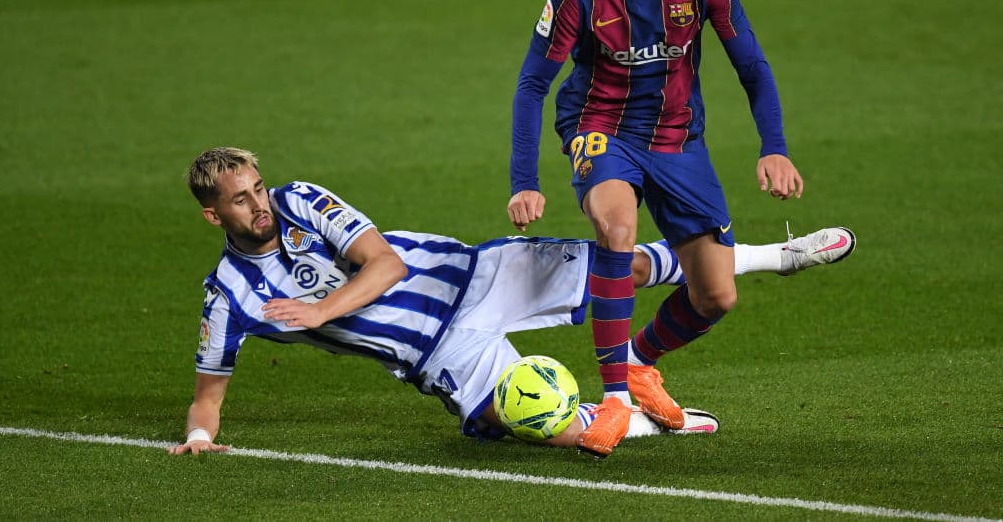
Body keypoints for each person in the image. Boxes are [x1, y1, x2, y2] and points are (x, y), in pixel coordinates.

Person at [168, 147, 854, 457]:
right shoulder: (227, 295)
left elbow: (385, 261)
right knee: (552, 427)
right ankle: (649, 421)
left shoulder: (301, 199)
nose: (259, 202)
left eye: (257, 186)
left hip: (473, 275)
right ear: (213, 215)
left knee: (627, 264)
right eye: (241, 197)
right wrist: (200, 436)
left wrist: (320, 312)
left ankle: (778, 255)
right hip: (441, 353)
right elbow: (209, 391)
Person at [507, 0, 820, 455]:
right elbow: (533, 85)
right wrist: (524, 182)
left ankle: (639, 364)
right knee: (616, 228)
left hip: (678, 138)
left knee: (716, 296)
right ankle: (613, 401)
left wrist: (773, 145)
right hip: (600, 126)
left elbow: (750, 63)